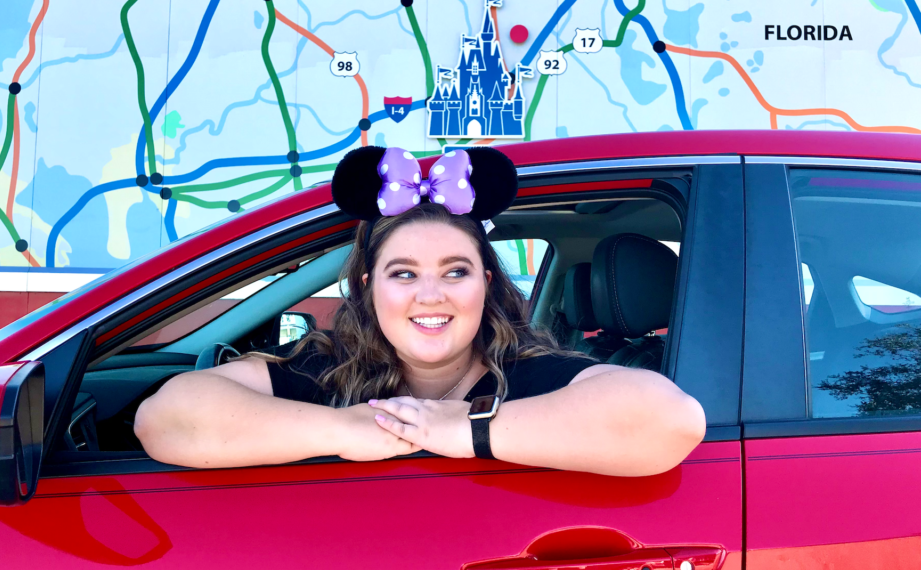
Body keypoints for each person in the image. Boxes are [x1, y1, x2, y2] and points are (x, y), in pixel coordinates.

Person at [135, 146, 705, 475]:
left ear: (485, 283)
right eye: (403, 273)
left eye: (455, 272)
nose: (430, 295)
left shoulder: (531, 375)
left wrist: (464, 430)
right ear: (367, 286)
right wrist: (342, 430)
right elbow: (167, 418)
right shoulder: (323, 369)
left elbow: (670, 420)